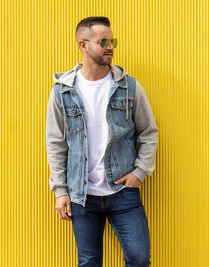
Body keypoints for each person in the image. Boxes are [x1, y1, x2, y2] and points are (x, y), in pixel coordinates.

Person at [45, 16, 158, 267]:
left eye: (112, 41)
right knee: (89, 262)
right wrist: (60, 191)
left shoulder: (128, 87)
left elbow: (149, 132)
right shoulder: (62, 91)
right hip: (82, 195)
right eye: (103, 41)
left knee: (139, 259)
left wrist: (140, 172)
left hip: (123, 193)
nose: (111, 47)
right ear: (83, 45)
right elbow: (56, 144)